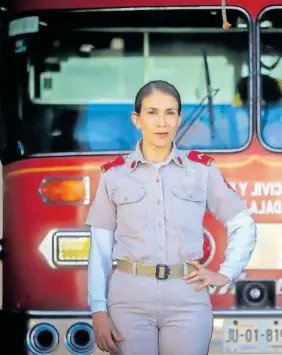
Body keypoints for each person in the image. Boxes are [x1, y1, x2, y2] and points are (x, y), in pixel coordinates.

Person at [86, 80, 257, 355]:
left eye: (170, 112)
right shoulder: (113, 174)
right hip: (129, 299)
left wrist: (225, 273)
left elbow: (243, 224)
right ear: (136, 118)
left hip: (188, 299)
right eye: (152, 112)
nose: (162, 122)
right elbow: (100, 250)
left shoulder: (202, 170)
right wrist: (98, 309)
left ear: (179, 118)